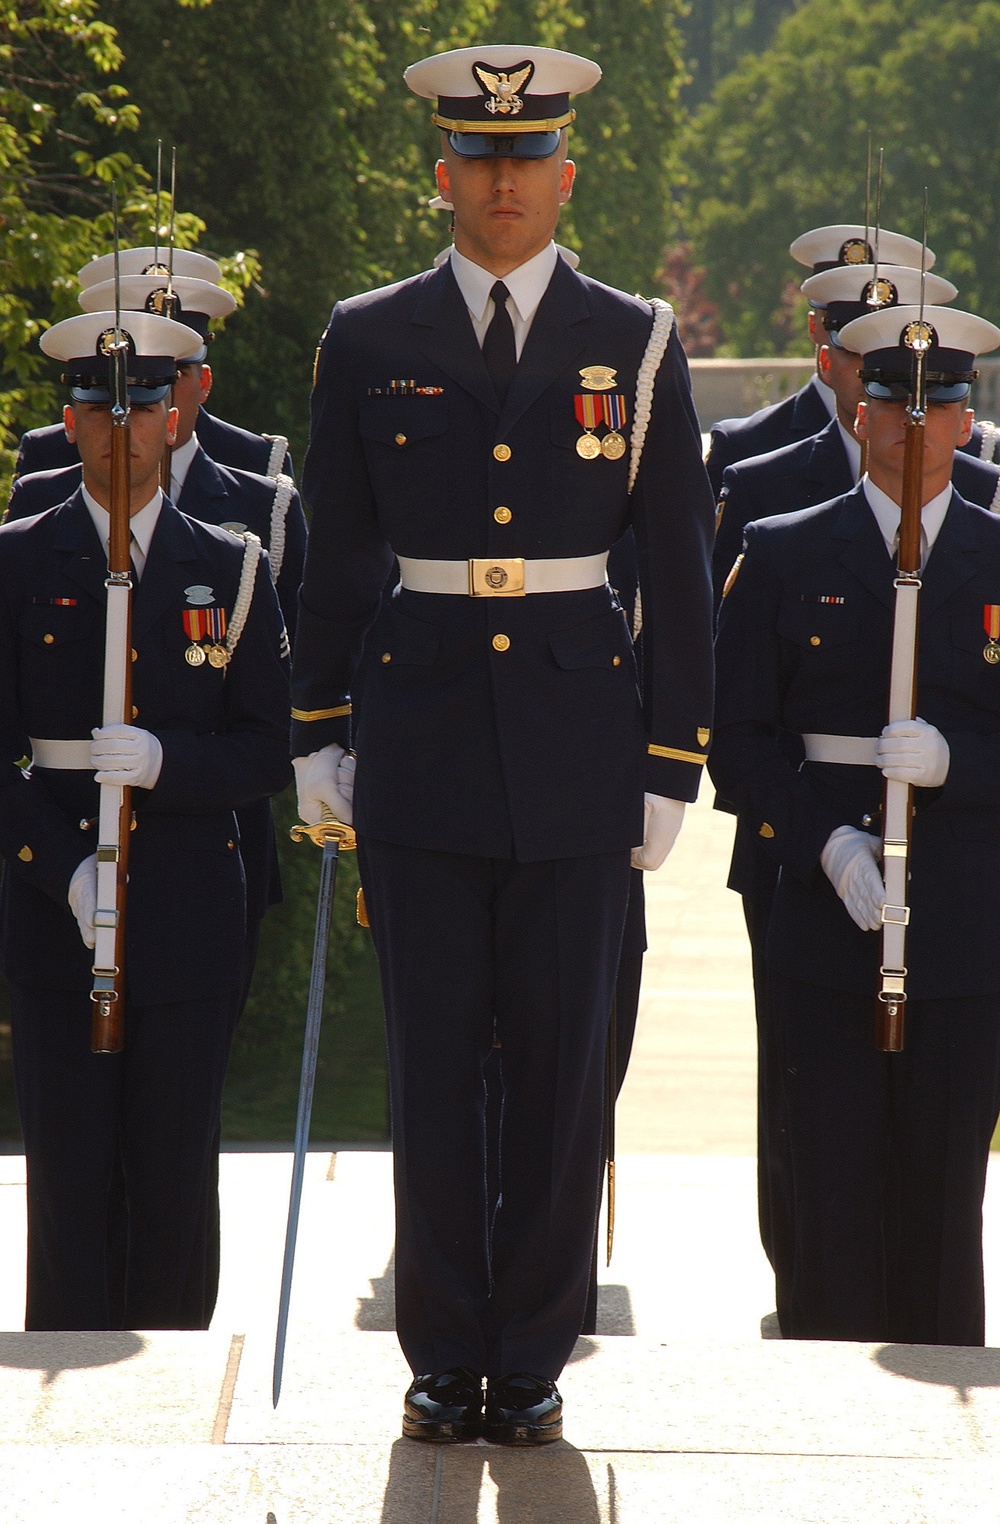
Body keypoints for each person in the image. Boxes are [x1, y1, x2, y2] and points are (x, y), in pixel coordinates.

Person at [291, 43, 715, 1443]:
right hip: (417, 740)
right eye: (480, 157)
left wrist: (670, 763)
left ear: (565, 174)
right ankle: (440, 1353)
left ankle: (530, 1354)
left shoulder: (636, 338)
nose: (504, 181)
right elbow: (335, 563)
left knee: (556, 1064)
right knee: (430, 1062)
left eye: (528, 158)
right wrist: (316, 736)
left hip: (579, 745)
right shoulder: (368, 337)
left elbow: (680, 567)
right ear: (443, 178)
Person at [710, 263, 1000, 1316]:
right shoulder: (783, 553)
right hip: (822, 921)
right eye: (891, 400)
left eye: (941, 403)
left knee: (941, 1190)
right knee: (825, 1186)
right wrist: (823, 843)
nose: (914, 423)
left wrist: (958, 763)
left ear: (968, 423)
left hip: (965, 923)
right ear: (860, 408)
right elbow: (735, 744)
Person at [0, 310, 291, 1330]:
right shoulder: (17, 563)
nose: (120, 432)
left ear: (177, 418)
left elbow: (264, 747)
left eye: (142, 411)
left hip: (186, 901)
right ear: (70, 426)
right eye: (97, 412)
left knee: (174, 1165)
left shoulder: (237, 565)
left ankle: (172, 1373)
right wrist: (60, 868)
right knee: (71, 1166)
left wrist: (172, 761)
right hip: (54, 905)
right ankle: (70, 1366)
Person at [12, 247, 294, 483]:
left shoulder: (255, 461)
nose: (165, 389)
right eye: (139, 378)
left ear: (205, 382)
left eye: (177, 372)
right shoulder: (47, 455)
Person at [705, 223, 937, 497]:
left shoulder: (954, 452)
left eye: (884, 331)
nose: (867, 351)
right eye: (847, 329)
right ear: (814, 325)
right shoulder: (746, 446)